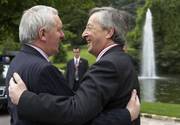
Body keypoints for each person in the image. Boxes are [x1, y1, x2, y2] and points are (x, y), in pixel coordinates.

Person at [8, 6, 140, 125]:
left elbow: (75, 114)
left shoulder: (108, 65)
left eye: (89, 27)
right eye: (59, 30)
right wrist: (126, 115)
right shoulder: (121, 59)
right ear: (42, 34)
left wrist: (23, 98)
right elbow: (76, 115)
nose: (83, 34)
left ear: (109, 32)